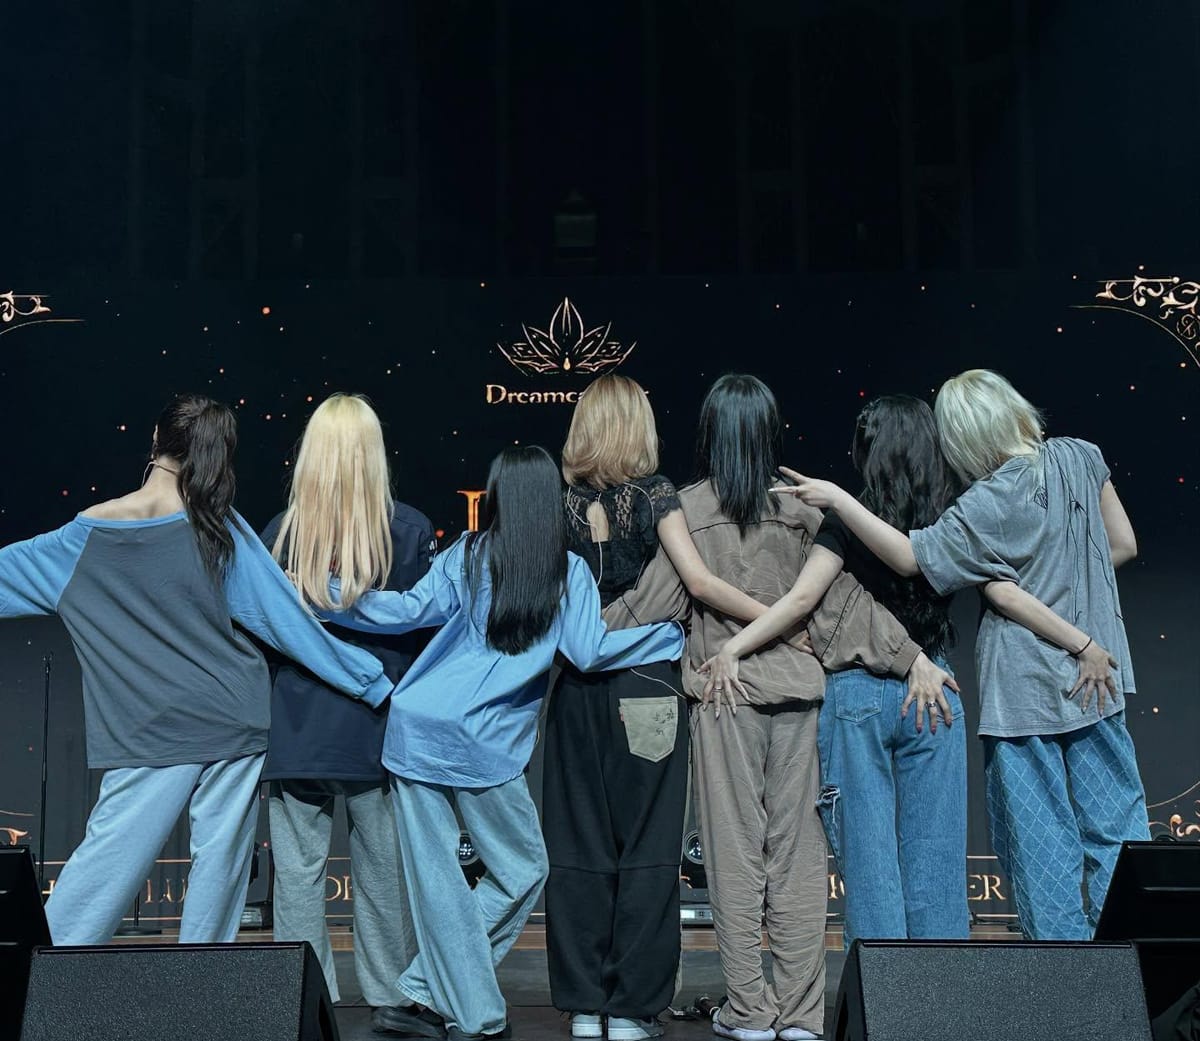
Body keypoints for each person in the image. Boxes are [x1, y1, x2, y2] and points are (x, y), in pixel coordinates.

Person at [605, 377, 957, 1041]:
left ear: (708, 432)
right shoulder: (801, 512)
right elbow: (842, 607)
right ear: (770, 433)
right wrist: (912, 656)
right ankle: (799, 1013)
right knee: (798, 859)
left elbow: (645, 606)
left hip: (724, 695)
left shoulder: (685, 509)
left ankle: (750, 1010)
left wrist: (566, 640)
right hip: (800, 695)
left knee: (734, 857)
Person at [319, 445, 686, 1041]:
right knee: (523, 870)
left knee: (442, 884)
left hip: (417, 729)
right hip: (482, 745)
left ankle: (423, 991)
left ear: (495, 498)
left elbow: (404, 611)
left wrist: (330, 594)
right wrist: (665, 639)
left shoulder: (467, 553)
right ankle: (475, 1015)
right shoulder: (567, 571)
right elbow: (588, 652)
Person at [0, 394, 393, 946]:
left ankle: (36, 988)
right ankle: (202, 995)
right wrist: (370, 681)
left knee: (107, 864)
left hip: (152, 730)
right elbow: (287, 623)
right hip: (234, 715)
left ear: (155, 442)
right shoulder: (217, 526)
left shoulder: (80, 542)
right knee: (220, 871)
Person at [782, 369, 1148, 941]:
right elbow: (1121, 545)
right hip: (1096, 675)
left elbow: (922, 563)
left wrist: (837, 500)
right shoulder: (1082, 455)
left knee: (1039, 846)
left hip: (1024, 685)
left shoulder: (982, 504)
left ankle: (1066, 984)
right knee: (1117, 831)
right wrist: (1084, 628)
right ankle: (1137, 973)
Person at [544, 373, 792, 1041]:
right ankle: (631, 1009)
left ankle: (585, 1005)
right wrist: (784, 616)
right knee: (648, 846)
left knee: (579, 846)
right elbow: (701, 580)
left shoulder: (560, 506)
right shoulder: (656, 496)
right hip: (646, 688)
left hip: (573, 694)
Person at [703, 394, 971, 961]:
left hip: (857, 694)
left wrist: (733, 646)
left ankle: (881, 1009)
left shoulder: (845, 519)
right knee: (937, 860)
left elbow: (801, 600)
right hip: (936, 688)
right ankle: (942, 1009)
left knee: (871, 864)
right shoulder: (955, 514)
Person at [261, 394, 434, 1032]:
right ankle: (392, 998)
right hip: (377, 734)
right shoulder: (408, 529)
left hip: (298, 732)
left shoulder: (279, 533)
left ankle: (307, 1005)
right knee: (384, 875)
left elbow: (259, 633)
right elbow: (425, 639)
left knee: (299, 878)